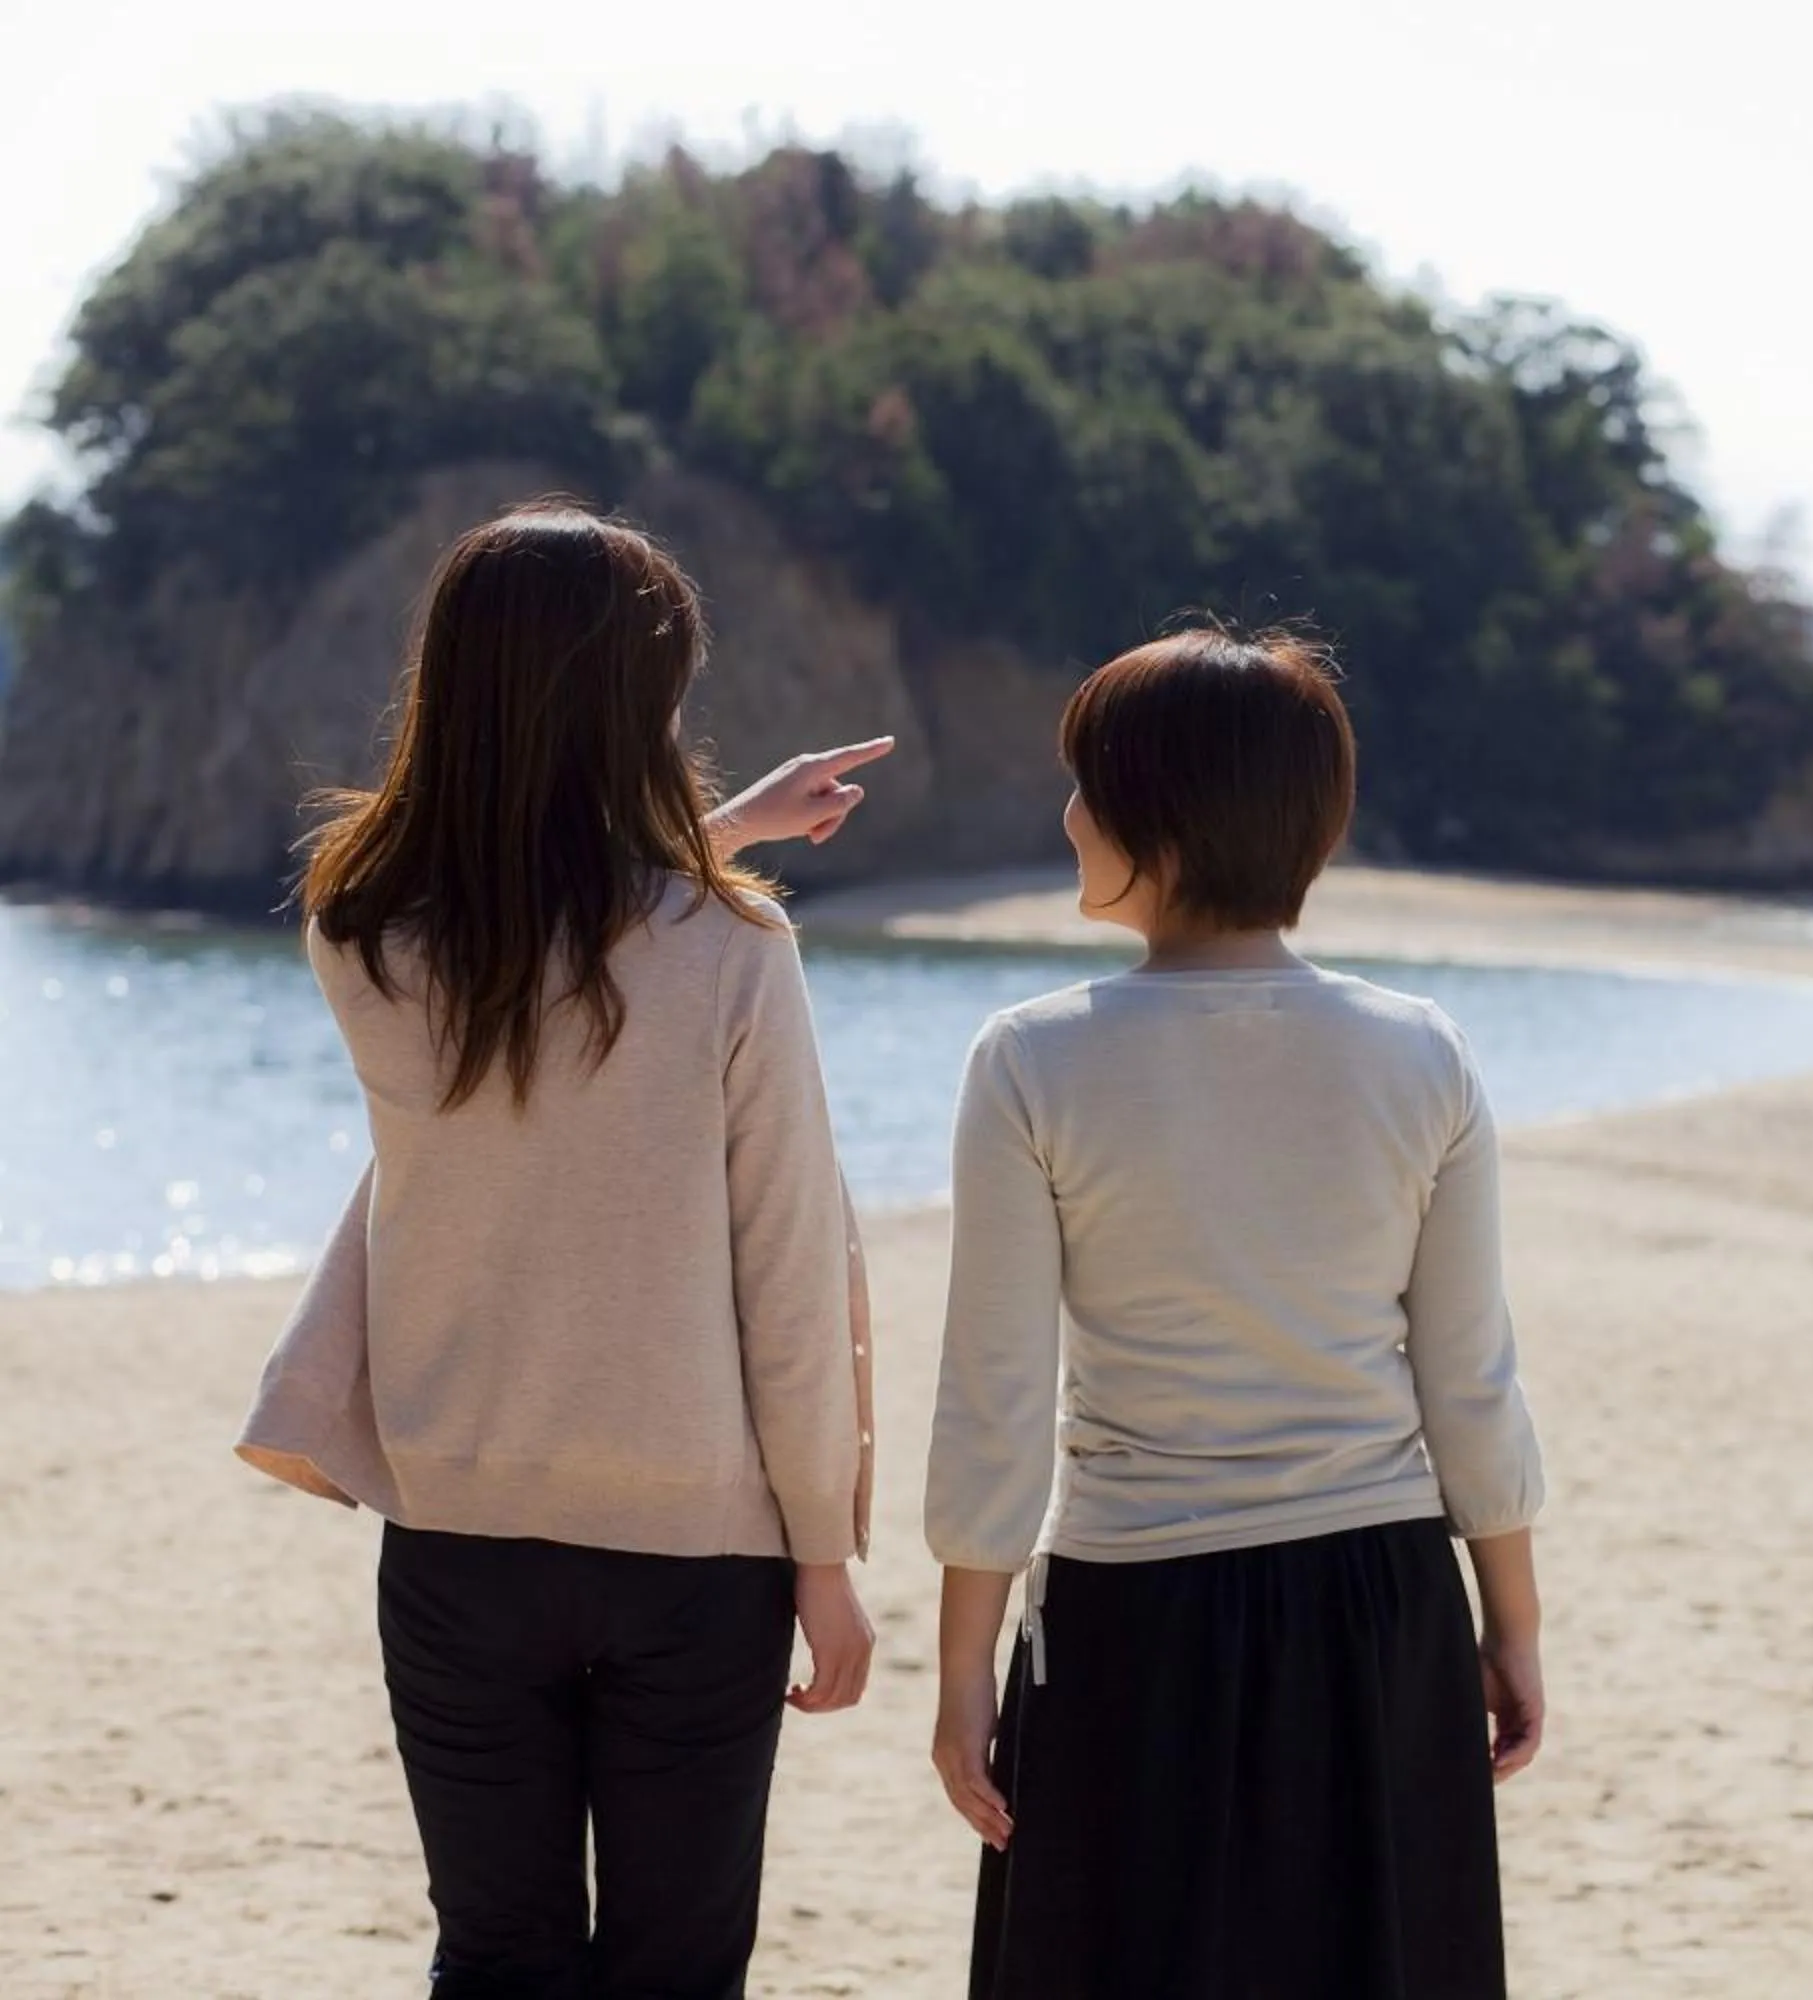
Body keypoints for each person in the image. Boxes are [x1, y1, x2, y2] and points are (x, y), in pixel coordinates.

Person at [237, 500, 894, 1999]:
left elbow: (538, 949)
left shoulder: (363, 934)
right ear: (636, 710)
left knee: (496, 1959)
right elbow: (788, 1275)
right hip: (697, 1554)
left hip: (458, 1533)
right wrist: (825, 1555)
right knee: (676, 1971)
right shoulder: (736, 951)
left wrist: (726, 834)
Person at [926, 626, 1548, 1999]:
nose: (1068, 816)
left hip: (1130, 1617)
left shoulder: (1033, 1060)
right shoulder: (1423, 1053)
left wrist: (964, 1666)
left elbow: (996, 1398)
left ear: (1159, 817)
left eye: (1088, 786)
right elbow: (1470, 1382)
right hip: (1382, 1608)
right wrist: (1513, 1624)